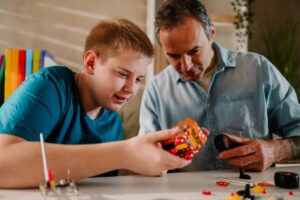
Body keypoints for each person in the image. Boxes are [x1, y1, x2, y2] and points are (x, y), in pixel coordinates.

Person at [0, 18, 191, 188]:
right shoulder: (50, 86)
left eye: (139, 79)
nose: (132, 88)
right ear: (91, 63)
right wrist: (124, 153)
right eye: (123, 74)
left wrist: (146, 163)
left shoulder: (113, 122)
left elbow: (97, 184)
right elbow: (3, 164)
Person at [139, 0, 300, 172]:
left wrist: (275, 151)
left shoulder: (258, 69)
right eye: (173, 56)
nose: (186, 65)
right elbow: (143, 159)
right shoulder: (156, 90)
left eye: (194, 51)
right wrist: (168, 145)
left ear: (212, 33)